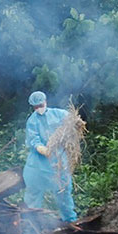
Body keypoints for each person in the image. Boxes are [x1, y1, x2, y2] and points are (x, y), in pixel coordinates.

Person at [22, 91, 78, 222]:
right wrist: (41, 148)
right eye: (36, 107)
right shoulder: (32, 121)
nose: (39, 108)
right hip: (38, 165)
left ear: (45, 102)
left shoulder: (58, 114)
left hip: (58, 162)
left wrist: (76, 123)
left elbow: (71, 120)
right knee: (33, 195)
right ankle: (30, 225)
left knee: (63, 192)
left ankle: (70, 220)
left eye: (40, 105)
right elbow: (33, 139)